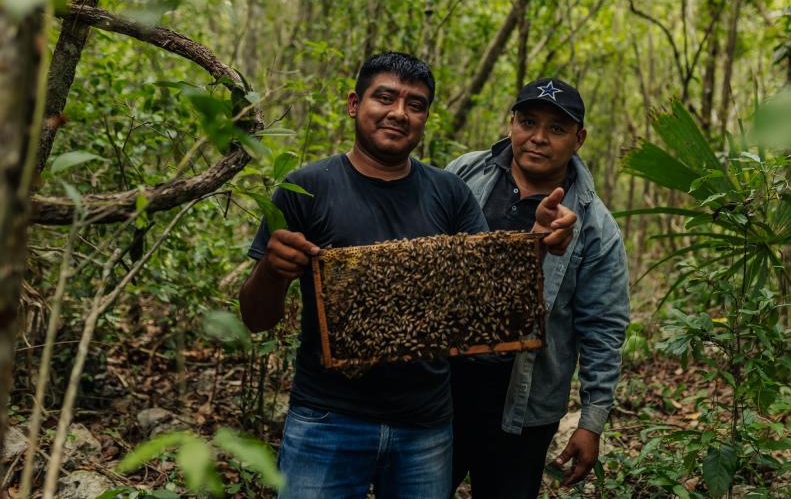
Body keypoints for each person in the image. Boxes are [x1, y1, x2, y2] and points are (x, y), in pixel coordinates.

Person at [238, 54, 576, 499]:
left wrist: (534, 244)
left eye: (415, 104)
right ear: (354, 103)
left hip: (425, 426)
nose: (400, 113)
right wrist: (272, 270)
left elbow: (483, 299)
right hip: (327, 420)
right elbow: (256, 318)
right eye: (385, 98)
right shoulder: (307, 188)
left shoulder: (449, 193)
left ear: (425, 118)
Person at [445, 78, 630, 498]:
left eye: (557, 129)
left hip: (523, 405)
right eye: (528, 122)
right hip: (442, 390)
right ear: (511, 123)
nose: (539, 138)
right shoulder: (463, 174)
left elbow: (603, 327)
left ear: (579, 139)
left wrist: (591, 422)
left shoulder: (596, 226)